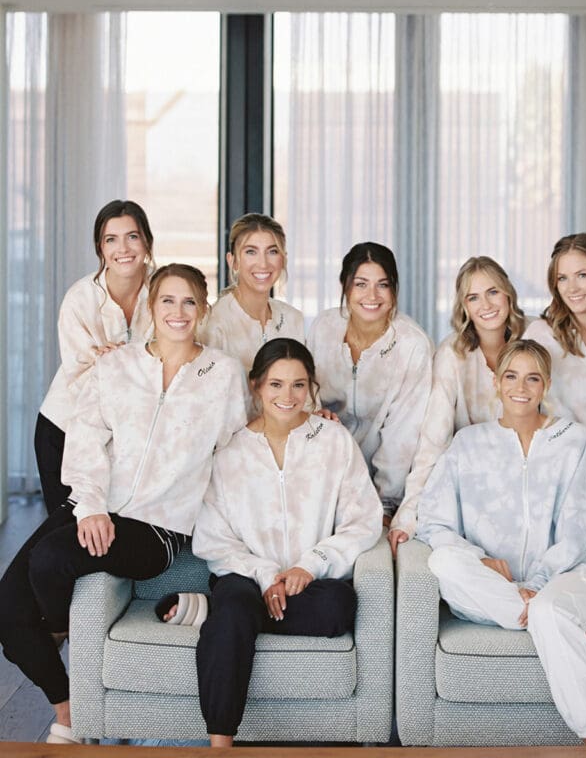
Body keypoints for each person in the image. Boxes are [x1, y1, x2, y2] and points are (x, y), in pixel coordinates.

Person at [0, 263, 248, 745]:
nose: (178, 312)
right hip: (97, 505)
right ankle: (70, 710)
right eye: (167, 301)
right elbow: (87, 439)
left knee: (52, 559)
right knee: (7, 609)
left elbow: (235, 451)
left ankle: (55, 635)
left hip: (160, 528)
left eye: (189, 302)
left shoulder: (222, 373)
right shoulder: (117, 365)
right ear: (151, 307)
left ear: (203, 310)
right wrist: (89, 505)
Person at [160, 338, 382, 748]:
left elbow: (364, 521)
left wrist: (309, 565)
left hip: (309, 583)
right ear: (256, 386)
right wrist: (265, 575)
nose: (288, 396)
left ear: (311, 387)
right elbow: (214, 536)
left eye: (299, 385)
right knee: (236, 607)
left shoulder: (333, 442)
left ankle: (217, 612)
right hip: (244, 575)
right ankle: (220, 746)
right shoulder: (228, 450)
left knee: (339, 606)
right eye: (276, 384)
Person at [419, 338, 586, 747]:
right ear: (496, 382)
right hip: (490, 590)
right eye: (511, 376)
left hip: (569, 575)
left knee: (547, 608)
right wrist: (479, 559)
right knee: (444, 564)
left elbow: (577, 532)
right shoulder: (467, 443)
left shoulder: (572, 440)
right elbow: (431, 522)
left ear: (546, 385)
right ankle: (584, 626)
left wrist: (537, 584)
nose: (521, 387)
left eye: (532, 378)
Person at [388, 256, 524, 553]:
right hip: (477, 488)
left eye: (493, 292)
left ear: (508, 294)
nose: (486, 305)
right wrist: (408, 515)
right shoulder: (452, 355)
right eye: (473, 297)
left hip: (528, 481)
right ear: (464, 306)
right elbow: (433, 441)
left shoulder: (534, 341)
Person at [35, 199, 155, 514]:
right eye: (110, 239)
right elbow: (81, 376)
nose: (123, 248)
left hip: (128, 440)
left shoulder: (163, 293)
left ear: (147, 241)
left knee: (108, 537)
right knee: (64, 530)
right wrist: (124, 367)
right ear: (100, 248)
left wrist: (118, 364)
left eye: (133, 236)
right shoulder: (80, 298)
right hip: (64, 428)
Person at [307, 242, 432, 522]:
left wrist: (384, 503)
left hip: (382, 489)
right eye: (361, 284)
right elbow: (306, 395)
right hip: (322, 476)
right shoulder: (323, 327)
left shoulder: (412, 345)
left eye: (383, 285)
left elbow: (404, 434)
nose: (372, 295)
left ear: (394, 289)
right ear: (344, 286)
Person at [527, 232, 586, 430]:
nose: (572, 288)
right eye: (562, 278)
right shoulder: (541, 336)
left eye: (582, 275)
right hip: (562, 457)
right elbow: (516, 408)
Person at [203, 213, 304, 373]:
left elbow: (308, 390)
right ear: (233, 261)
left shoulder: (294, 319)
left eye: (272, 251)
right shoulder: (214, 324)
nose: (263, 264)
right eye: (251, 252)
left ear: (283, 259)